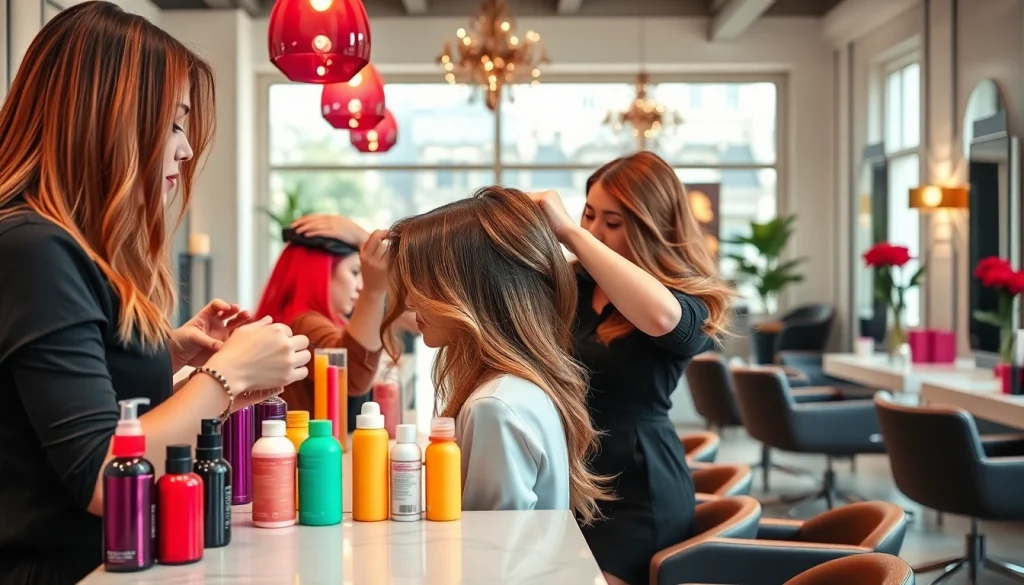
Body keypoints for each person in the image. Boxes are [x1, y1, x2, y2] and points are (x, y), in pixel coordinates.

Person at [0, 4, 310, 583]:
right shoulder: (33, 249)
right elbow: (102, 475)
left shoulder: (57, 247)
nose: (186, 149)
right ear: (107, 120)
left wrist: (170, 355)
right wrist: (226, 379)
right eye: (173, 123)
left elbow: (70, 400)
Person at [529, 151, 733, 585]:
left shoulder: (687, 300)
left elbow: (661, 319)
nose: (594, 231)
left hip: (638, 494)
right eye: (587, 214)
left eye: (613, 222)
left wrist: (569, 231)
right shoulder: (572, 286)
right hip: (572, 485)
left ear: (651, 229)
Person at [380, 186, 609, 519]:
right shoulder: (517, 390)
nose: (412, 302)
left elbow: (490, 554)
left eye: (425, 286)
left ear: (469, 293)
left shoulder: (494, 408)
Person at [254, 216, 388, 413]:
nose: (360, 286)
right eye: (354, 272)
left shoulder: (295, 321)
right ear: (319, 272)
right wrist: (373, 291)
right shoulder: (304, 325)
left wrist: (361, 237)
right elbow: (352, 374)